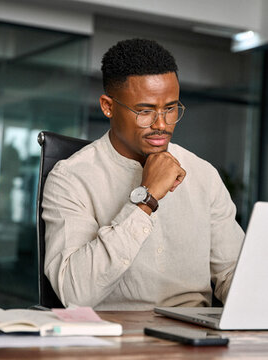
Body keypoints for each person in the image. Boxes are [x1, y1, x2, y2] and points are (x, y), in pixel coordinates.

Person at [41, 38, 245, 310]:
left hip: (195, 339)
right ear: (108, 106)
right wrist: (145, 200)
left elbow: (233, 272)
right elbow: (74, 292)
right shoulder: (70, 178)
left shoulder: (203, 174)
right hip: (117, 339)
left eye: (171, 108)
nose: (162, 125)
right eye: (145, 111)